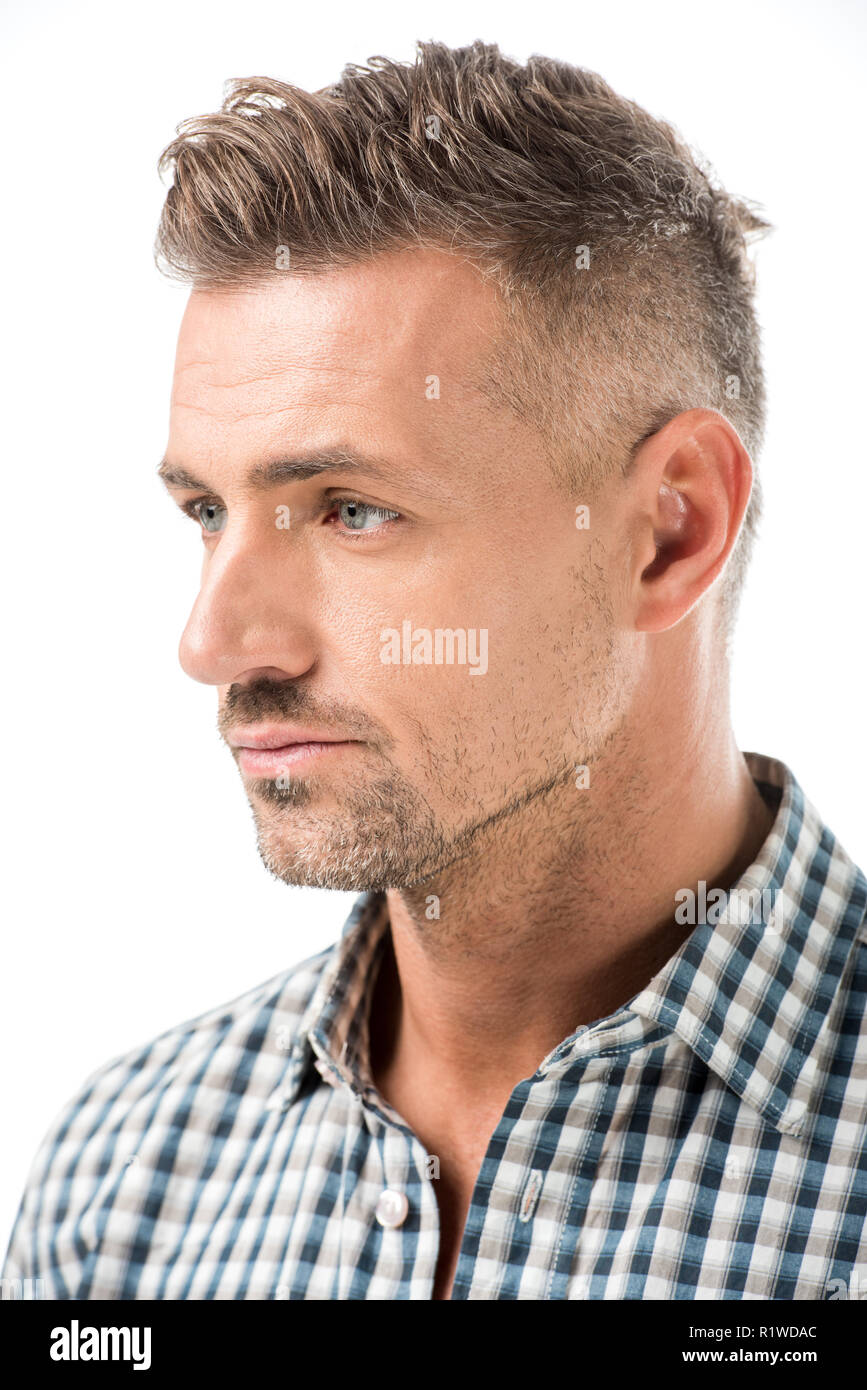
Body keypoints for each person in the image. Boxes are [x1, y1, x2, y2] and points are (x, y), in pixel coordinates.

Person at [4, 39, 865, 1302]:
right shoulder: (118, 1193)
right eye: (205, 510)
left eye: (350, 510)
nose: (215, 643)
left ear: (669, 531)